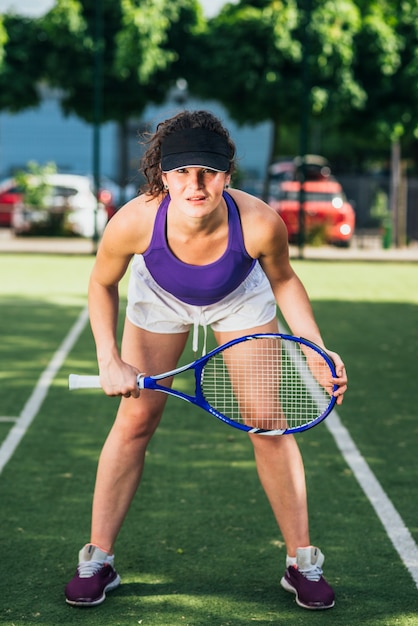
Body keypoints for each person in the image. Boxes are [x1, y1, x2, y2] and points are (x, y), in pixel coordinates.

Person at [65, 110, 347, 610]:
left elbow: (283, 280)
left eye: (209, 171)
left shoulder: (259, 222)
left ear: (227, 173)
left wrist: (318, 349)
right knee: (134, 419)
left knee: (269, 424)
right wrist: (108, 358)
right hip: (159, 298)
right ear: (163, 176)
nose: (196, 184)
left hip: (240, 297)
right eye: (181, 172)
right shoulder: (133, 221)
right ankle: (97, 559)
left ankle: (302, 562)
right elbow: (101, 283)